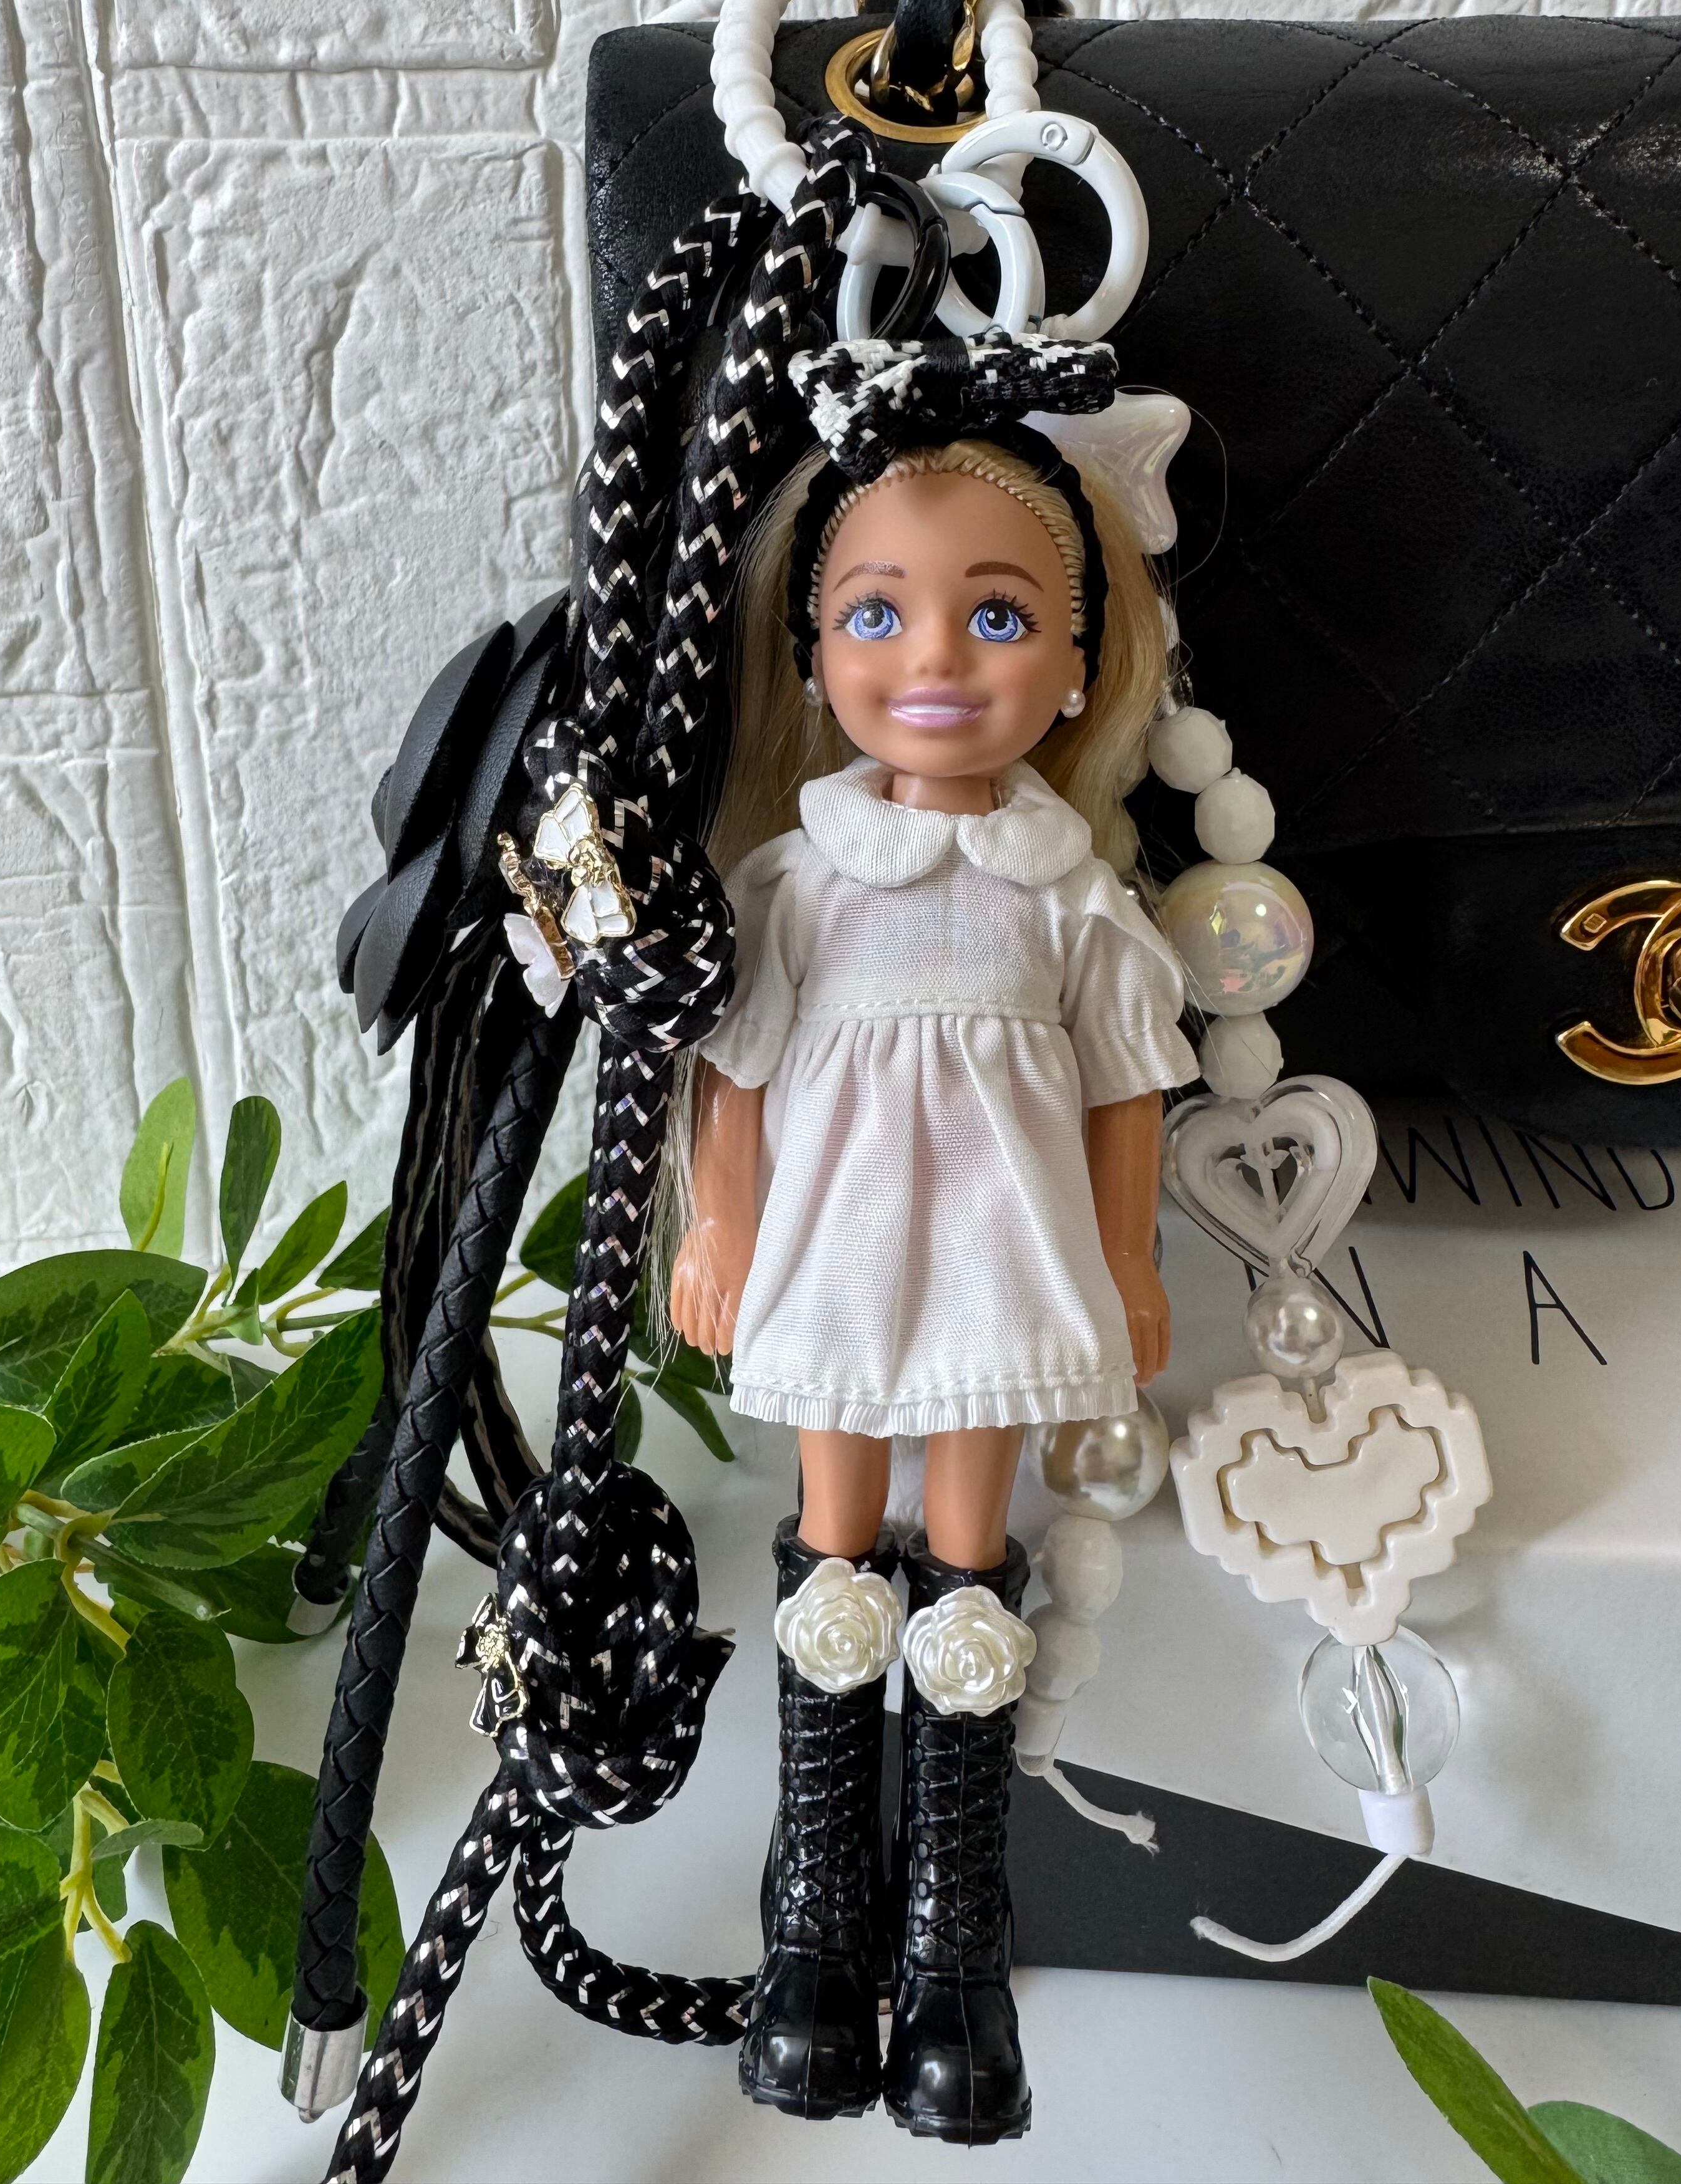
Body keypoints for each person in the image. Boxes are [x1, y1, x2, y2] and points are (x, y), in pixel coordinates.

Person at [666, 331, 1197, 2140]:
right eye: (877, 614)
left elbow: (1124, 1095)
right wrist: (718, 1221)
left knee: (965, 1562)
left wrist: (1131, 1264)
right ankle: (819, 1907)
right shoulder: (800, 878)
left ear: (1079, 666)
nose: (936, 660)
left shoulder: (1074, 900)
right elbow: (737, 1068)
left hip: (995, 1261)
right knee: (834, 1542)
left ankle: (956, 1920)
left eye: (998, 617)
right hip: (832, 1250)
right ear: (819, 658)